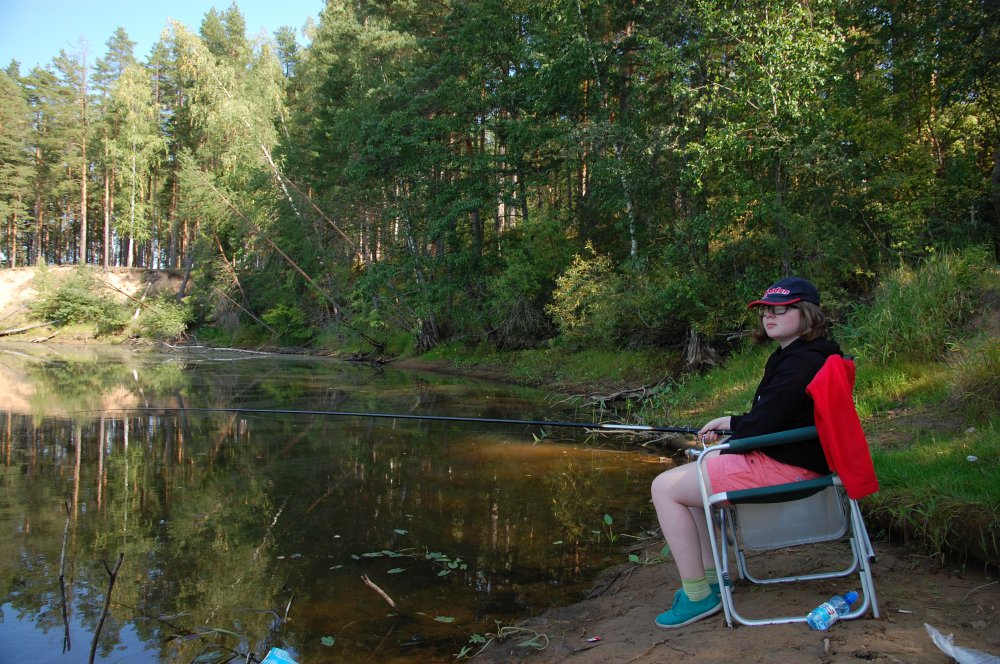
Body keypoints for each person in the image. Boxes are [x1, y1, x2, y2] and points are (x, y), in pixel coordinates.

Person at [649, 277, 842, 628]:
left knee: (663, 488)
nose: (769, 315)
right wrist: (732, 423)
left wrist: (734, 437)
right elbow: (773, 416)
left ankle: (698, 596)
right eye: (766, 309)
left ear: (807, 313)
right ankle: (710, 581)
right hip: (788, 456)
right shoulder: (798, 355)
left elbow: (764, 425)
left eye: (781, 309)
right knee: (690, 482)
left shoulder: (801, 362)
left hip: (788, 467)